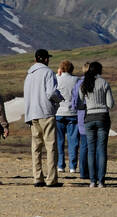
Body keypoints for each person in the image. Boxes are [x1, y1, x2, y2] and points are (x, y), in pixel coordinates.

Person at [23, 48, 64, 187]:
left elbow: (27, 95)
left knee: (36, 147)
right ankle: (51, 179)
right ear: (45, 59)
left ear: (36, 59)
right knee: (51, 146)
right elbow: (51, 92)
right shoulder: (47, 72)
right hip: (45, 112)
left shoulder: (29, 74)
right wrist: (59, 99)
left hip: (32, 113)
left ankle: (37, 177)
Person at [79, 61, 115, 187]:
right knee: (102, 149)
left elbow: (81, 102)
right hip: (103, 117)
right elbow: (110, 104)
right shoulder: (104, 83)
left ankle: (92, 181)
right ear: (100, 70)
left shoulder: (84, 84)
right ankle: (101, 180)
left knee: (91, 150)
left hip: (89, 118)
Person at [54, 60, 80, 175]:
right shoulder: (77, 80)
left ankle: (60, 165)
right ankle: (72, 166)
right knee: (73, 141)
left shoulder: (56, 79)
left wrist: (57, 73)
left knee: (59, 141)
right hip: (73, 113)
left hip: (59, 112)